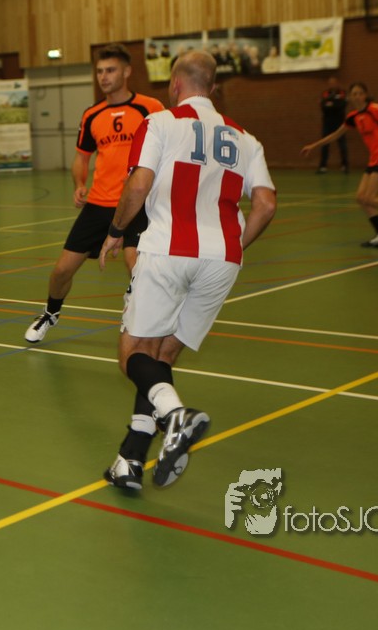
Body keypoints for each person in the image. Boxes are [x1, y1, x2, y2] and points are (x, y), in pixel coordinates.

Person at [97, 51, 277, 490]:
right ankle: (130, 460)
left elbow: (139, 184)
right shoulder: (247, 139)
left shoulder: (159, 122)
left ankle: (175, 415)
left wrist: (116, 230)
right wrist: (234, 245)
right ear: (213, 88)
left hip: (168, 251)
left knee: (133, 354)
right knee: (162, 357)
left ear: (175, 84)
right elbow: (266, 205)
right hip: (222, 260)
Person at [24, 43, 164, 343]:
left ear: (127, 72)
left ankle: (140, 318)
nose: (104, 76)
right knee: (62, 271)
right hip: (99, 204)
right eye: (100, 71)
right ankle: (50, 313)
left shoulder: (151, 108)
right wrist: (79, 183)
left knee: (135, 265)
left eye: (110, 70)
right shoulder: (92, 114)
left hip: (137, 203)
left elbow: (169, 149)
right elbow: (82, 157)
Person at [301, 82, 378, 248]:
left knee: (370, 198)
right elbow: (335, 135)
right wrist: (313, 146)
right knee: (361, 198)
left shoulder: (375, 109)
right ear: (350, 97)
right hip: (374, 159)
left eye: (360, 93)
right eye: (354, 94)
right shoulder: (353, 117)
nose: (357, 96)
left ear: (365, 95)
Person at [316, 78, 349, 173]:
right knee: (325, 144)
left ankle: (345, 166)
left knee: (342, 145)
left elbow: (341, 105)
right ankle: (322, 166)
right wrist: (333, 103)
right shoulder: (325, 93)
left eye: (334, 83)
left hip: (340, 123)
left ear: (337, 83)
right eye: (330, 83)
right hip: (327, 123)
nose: (332, 84)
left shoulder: (342, 93)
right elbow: (323, 106)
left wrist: (331, 103)